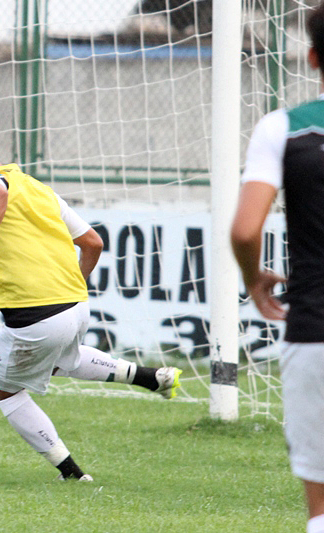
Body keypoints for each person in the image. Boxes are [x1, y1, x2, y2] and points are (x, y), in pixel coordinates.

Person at [0, 125, 181, 481]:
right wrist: (70, 287)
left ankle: (71, 473)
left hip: (36, 314)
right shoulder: (39, 189)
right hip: (75, 305)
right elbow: (93, 243)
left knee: (5, 388)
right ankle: (152, 378)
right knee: (58, 361)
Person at [231, 4, 324, 531]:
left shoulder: (283, 128)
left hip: (313, 329)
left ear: (311, 57)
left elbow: (245, 230)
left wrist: (254, 278)